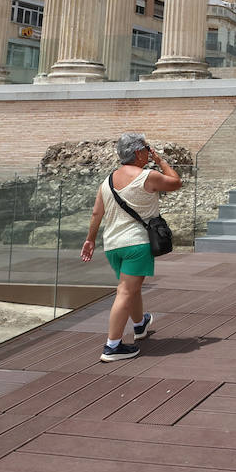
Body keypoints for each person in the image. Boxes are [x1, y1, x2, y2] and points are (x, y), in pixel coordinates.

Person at [80, 133, 182, 362]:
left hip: (113, 246)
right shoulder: (147, 176)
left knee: (131, 287)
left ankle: (139, 325)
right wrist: (161, 161)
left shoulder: (106, 181)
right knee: (125, 291)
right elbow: (176, 181)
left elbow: (97, 213)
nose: (149, 151)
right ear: (138, 153)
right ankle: (112, 346)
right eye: (146, 148)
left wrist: (90, 239)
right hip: (136, 243)